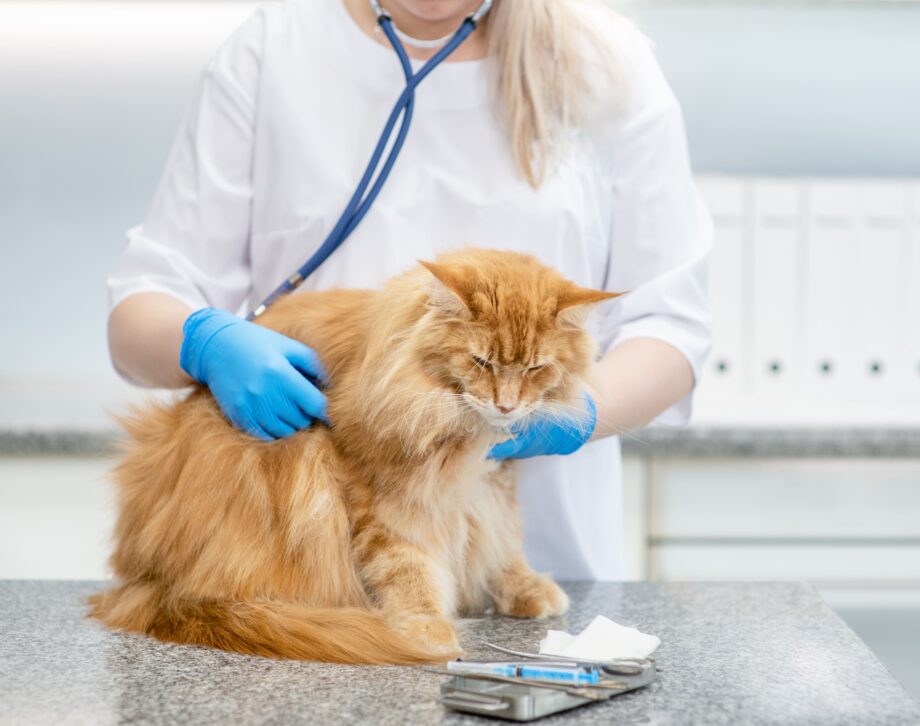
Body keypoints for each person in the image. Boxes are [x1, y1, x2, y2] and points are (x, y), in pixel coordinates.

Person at [106, 0, 712, 581]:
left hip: (540, 567)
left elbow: (671, 328)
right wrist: (204, 341)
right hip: (316, 563)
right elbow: (142, 307)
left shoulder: (608, 63)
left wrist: (578, 414)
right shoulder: (272, 51)